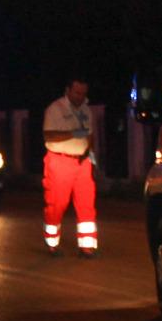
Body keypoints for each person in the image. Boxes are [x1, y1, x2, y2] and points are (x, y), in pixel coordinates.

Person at [42, 77, 99, 258]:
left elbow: (90, 135)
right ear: (68, 90)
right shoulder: (55, 109)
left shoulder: (86, 110)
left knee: (86, 204)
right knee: (57, 203)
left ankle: (87, 246)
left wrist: (91, 155)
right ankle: (52, 243)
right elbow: (49, 135)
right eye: (77, 92)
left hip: (82, 162)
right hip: (60, 161)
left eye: (83, 93)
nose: (80, 97)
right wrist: (73, 133)